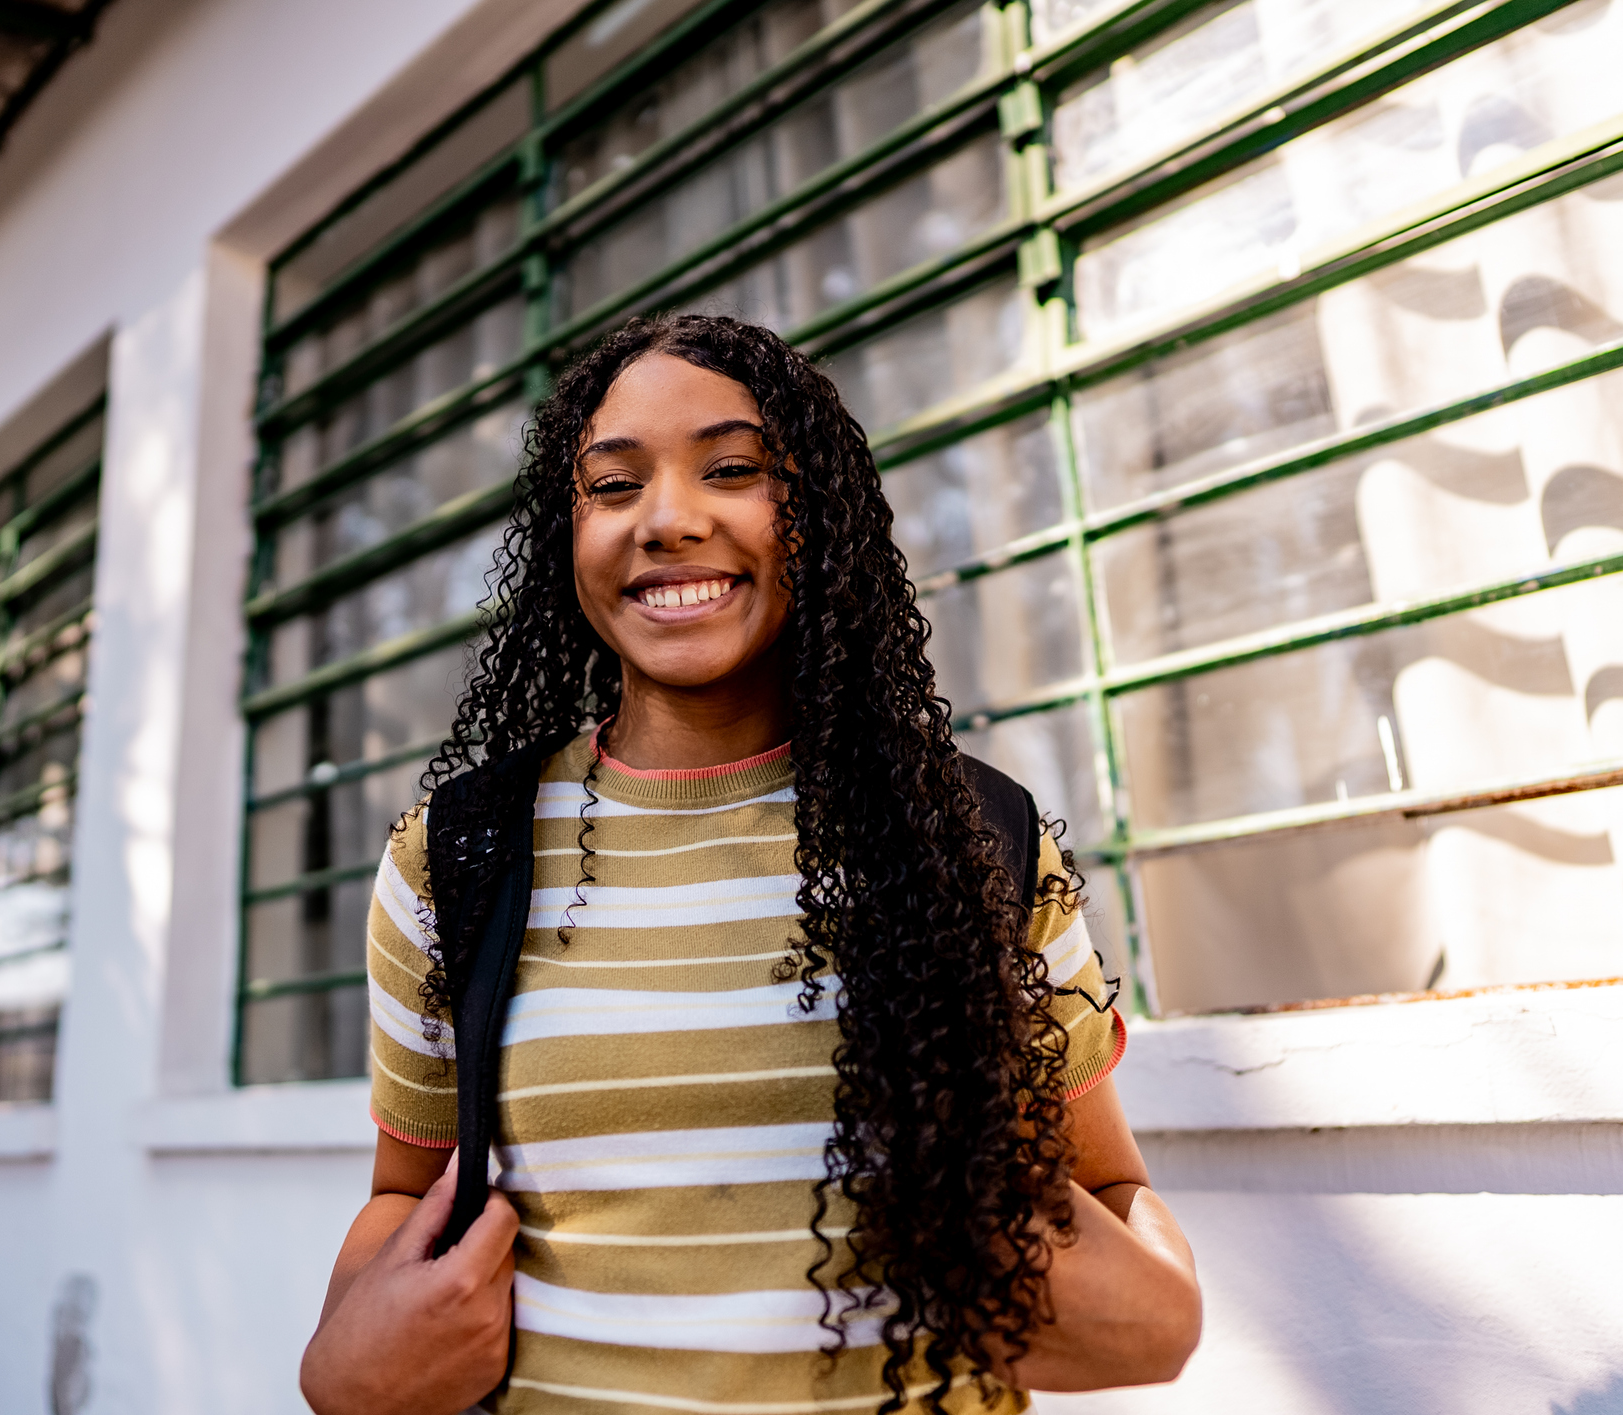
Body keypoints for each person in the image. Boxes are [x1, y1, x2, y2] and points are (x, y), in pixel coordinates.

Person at [300, 314, 1201, 1415]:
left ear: (815, 516)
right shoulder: (458, 853)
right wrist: (348, 1357)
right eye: (614, 485)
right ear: (564, 537)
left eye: (732, 469)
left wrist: (1104, 1284)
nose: (670, 519)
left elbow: (1104, 1184)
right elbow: (407, 1195)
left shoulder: (965, 834)